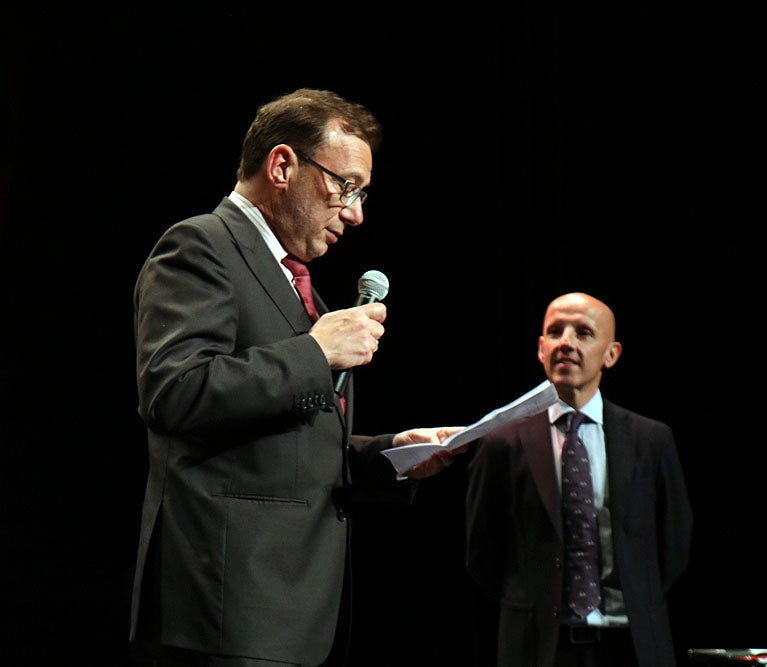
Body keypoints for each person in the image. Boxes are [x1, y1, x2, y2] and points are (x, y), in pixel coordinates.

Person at [128, 88, 464, 666]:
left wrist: (388, 455)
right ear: (283, 165)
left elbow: (286, 442)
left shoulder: (294, 280)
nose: (356, 212)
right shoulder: (200, 246)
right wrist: (315, 353)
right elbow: (175, 393)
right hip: (227, 611)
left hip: (290, 612)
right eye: (346, 186)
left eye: (362, 193)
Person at [465, 292, 693, 667]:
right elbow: (482, 553)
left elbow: (674, 544)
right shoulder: (501, 442)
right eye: (555, 332)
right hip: (538, 647)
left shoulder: (651, 440)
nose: (566, 342)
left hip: (632, 644)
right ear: (541, 348)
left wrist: (638, 592)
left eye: (584, 332)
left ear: (611, 354)